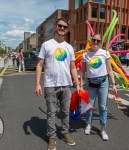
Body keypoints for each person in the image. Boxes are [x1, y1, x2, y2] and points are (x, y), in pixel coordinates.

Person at [35, 17, 80, 150]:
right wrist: (37, 84)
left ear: (67, 30)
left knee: (65, 111)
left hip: (66, 85)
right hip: (50, 85)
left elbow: (73, 67)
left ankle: (65, 133)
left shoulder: (69, 47)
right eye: (60, 26)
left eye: (65, 27)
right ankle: (52, 137)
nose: (62, 29)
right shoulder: (46, 45)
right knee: (51, 112)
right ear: (55, 27)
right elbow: (39, 65)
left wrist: (77, 83)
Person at [80, 33, 117, 141]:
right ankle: (88, 124)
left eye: (98, 41)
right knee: (89, 105)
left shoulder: (104, 53)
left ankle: (102, 129)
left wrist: (114, 84)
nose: (95, 42)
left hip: (103, 83)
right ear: (90, 41)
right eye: (94, 40)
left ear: (100, 42)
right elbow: (83, 71)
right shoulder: (85, 55)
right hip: (90, 83)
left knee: (102, 107)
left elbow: (110, 70)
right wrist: (81, 84)